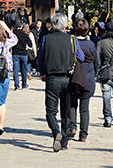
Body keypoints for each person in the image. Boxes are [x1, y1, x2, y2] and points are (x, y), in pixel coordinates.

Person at [38, 12, 84, 153]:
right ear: (65, 25)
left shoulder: (46, 39)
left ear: (52, 25)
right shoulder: (71, 39)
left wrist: (42, 73)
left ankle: (55, 131)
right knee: (66, 112)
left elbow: (40, 59)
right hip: (68, 79)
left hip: (52, 78)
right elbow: (81, 57)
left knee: (51, 112)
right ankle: (64, 142)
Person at [68, 18, 97, 142]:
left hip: (74, 77)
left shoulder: (71, 43)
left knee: (72, 105)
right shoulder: (91, 45)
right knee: (85, 108)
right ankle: (83, 134)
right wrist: (94, 74)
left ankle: (72, 127)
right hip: (88, 78)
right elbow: (96, 62)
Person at [11, 21, 33, 90]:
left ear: (15, 27)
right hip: (23, 53)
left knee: (15, 70)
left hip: (15, 53)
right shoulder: (25, 34)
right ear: (21, 27)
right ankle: (24, 84)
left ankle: (16, 85)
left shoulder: (12, 34)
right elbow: (30, 44)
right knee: (24, 69)